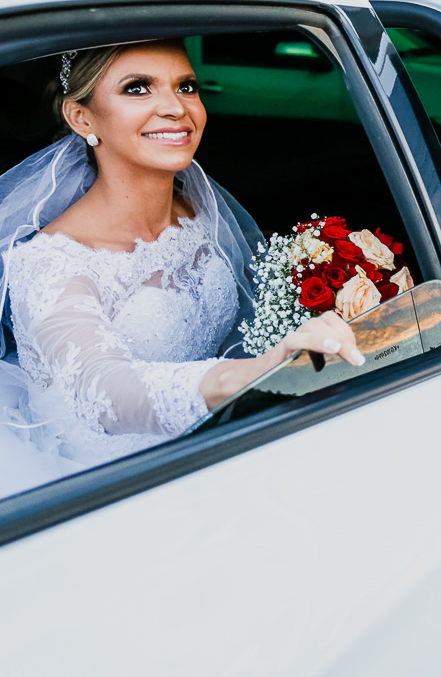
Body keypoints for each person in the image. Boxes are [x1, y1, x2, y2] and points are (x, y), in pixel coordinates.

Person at [0, 40, 362, 496]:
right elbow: (103, 389)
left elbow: (244, 322)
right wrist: (256, 374)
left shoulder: (197, 210)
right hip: (120, 484)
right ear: (82, 118)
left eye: (186, 86)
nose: (175, 108)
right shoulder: (53, 260)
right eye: (138, 89)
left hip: (225, 439)